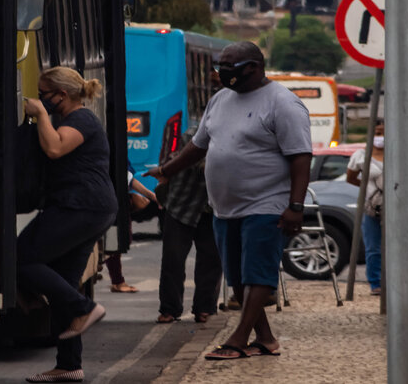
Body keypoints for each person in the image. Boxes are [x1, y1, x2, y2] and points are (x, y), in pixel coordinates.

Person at [147, 42, 311, 360]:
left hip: (266, 204)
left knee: (257, 274)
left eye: (228, 65)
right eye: (220, 64)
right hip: (224, 207)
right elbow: (198, 145)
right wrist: (167, 170)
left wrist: (295, 206)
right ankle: (265, 339)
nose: (221, 71)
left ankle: (238, 339)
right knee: (236, 276)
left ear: (253, 67)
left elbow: (301, 158)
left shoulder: (283, 103)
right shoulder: (220, 100)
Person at [18, 66, 119, 383]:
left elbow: (55, 148)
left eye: (44, 94)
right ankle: (69, 365)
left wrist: (40, 116)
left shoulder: (82, 120)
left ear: (61, 95)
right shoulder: (68, 118)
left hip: (82, 206)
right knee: (63, 280)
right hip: (83, 206)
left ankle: (85, 308)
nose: (39, 99)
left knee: (23, 257)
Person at [155, 159, 222, 325]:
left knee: (211, 259)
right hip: (182, 201)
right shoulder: (190, 133)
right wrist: (164, 171)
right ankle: (169, 309)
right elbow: (171, 155)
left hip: (213, 206)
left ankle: (204, 307)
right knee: (173, 258)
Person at [346, 119, 386, 296]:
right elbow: (351, 177)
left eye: (383, 132)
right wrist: (368, 190)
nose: (380, 137)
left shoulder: (397, 152)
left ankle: (395, 282)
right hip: (371, 208)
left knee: (398, 248)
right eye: (377, 133)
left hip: (395, 208)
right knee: (373, 248)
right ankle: (375, 283)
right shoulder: (361, 155)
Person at [106, 172, 158, 293]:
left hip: (114, 199)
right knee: (114, 241)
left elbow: (127, 178)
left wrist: (151, 195)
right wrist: (151, 195)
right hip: (111, 201)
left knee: (116, 240)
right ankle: (117, 281)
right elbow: (127, 178)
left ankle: (116, 279)